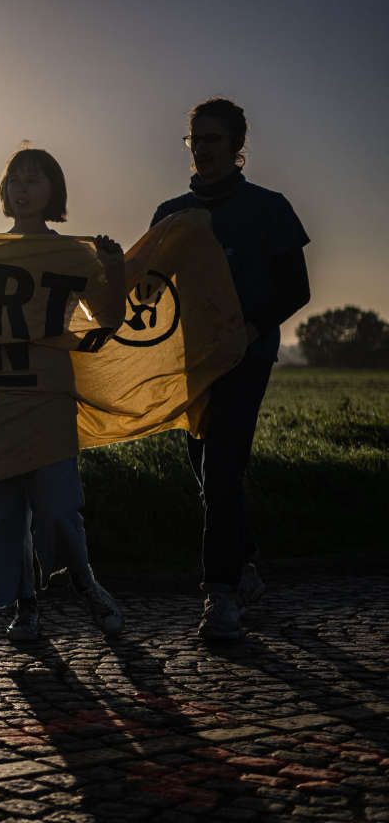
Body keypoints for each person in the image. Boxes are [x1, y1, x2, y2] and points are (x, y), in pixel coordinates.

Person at [151, 98, 309, 640]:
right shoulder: (169, 213)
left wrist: (249, 328)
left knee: (220, 470)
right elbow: (148, 288)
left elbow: (297, 288)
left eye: (214, 139)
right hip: (190, 364)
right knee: (208, 475)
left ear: (238, 146)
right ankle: (244, 565)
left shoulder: (270, 207)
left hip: (247, 358)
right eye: (195, 138)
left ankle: (219, 597)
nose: (203, 148)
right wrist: (105, 264)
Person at [0, 146, 125, 641]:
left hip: (50, 394)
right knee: (3, 507)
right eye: (15, 179)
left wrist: (113, 267)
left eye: (34, 180)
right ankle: (25, 604)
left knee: (60, 504)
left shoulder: (71, 254)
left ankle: (85, 583)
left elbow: (109, 317)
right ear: (3, 191)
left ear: (54, 191)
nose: (22, 188)